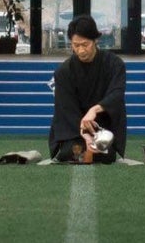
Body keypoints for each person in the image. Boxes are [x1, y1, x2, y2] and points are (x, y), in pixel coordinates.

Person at [50, 14, 127, 163]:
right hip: (74, 131)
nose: (81, 50)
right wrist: (83, 131)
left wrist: (94, 110)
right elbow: (66, 108)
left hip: (102, 129)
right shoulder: (63, 71)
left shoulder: (114, 64)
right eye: (76, 45)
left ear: (95, 40)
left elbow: (117, 94)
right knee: (73, 150)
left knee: (104, 152)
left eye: (85, 45)